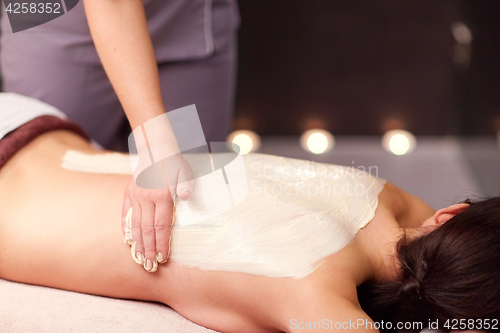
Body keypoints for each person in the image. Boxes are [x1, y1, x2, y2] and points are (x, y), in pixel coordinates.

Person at [0, 105, 499, 332]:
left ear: (449, 215)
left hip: (34, 122)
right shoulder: (314, 299)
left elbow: (428, 234)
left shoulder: (382, 196)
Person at [0, 0, 240, 272]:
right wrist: (155, 144)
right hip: (54, 19)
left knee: (194, 211)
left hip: (187, 20)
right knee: (43, 212)